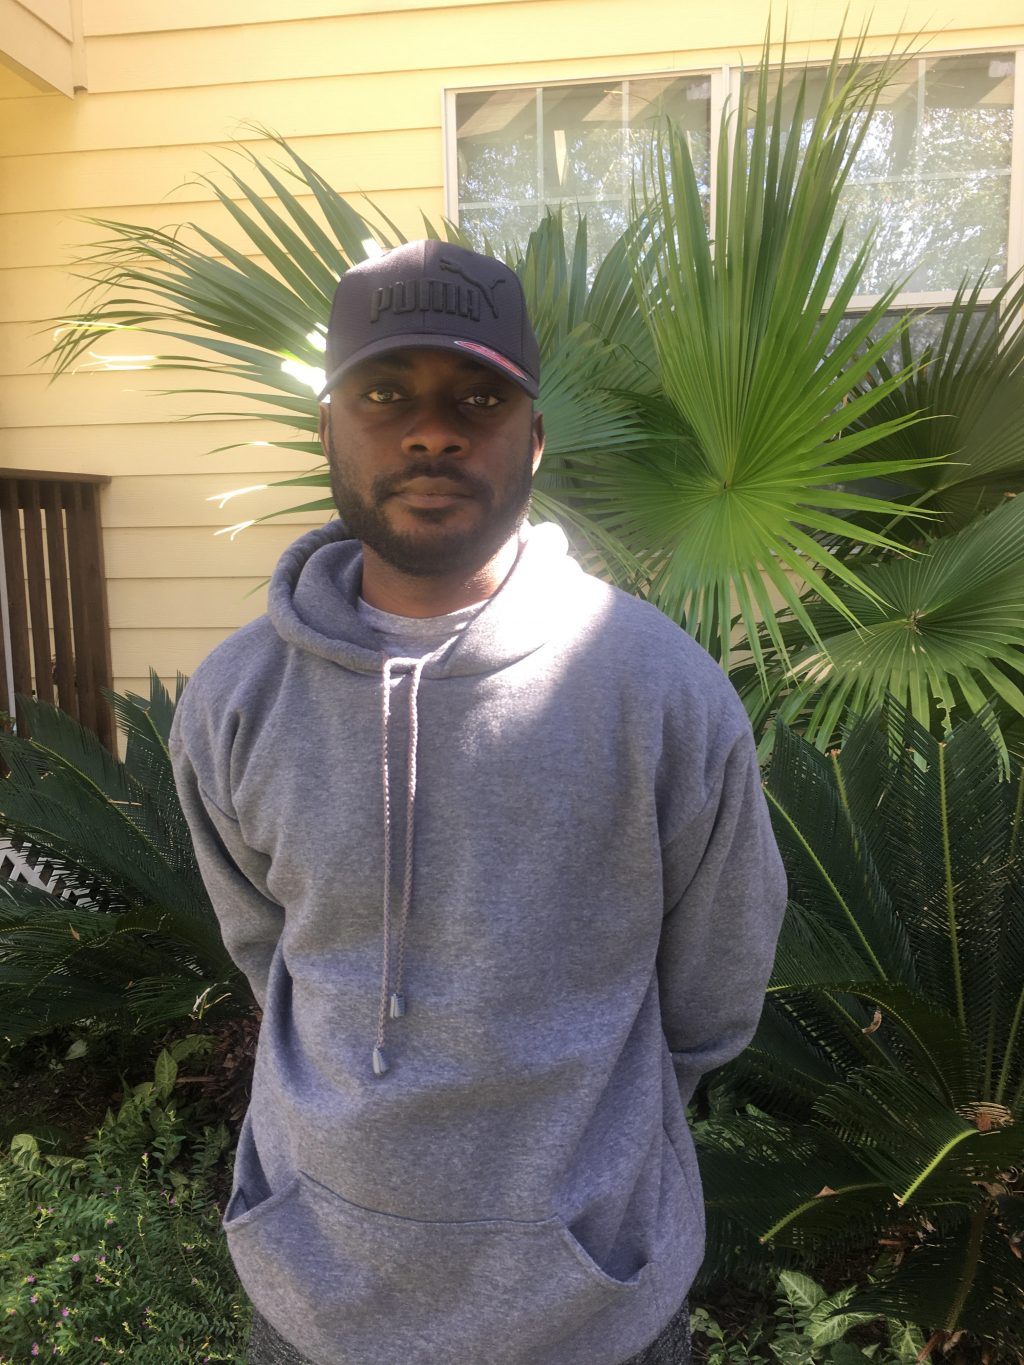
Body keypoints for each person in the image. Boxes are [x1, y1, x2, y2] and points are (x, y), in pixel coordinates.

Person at [169, 239, 787, 1365]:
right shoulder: (237, 695)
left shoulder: (661, 692)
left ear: (533, 437)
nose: (432, 432)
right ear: (327, 429)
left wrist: (581, 1176)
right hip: (317, 1292)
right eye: (384, 395)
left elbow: (713, 989)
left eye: (478, 398)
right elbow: (267, 944)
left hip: (594, 1303)